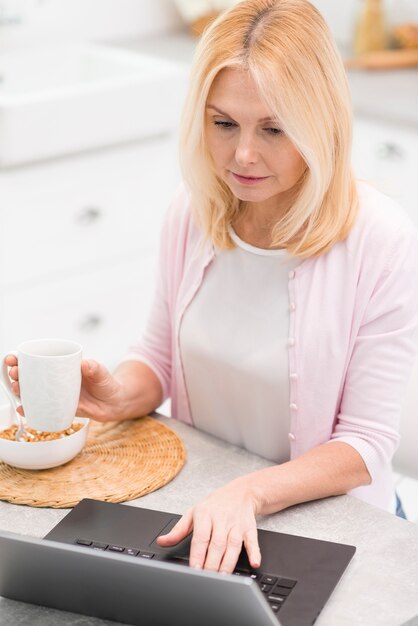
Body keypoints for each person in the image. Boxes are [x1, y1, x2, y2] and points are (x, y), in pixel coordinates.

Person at [5, 0, 418, 573]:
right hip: (209, 507)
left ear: (320, 123)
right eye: (224, 123)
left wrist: (250, 491)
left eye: (274, 128)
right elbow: (157, 357)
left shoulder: (380, 240)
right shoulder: (194, 212)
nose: (242, 155)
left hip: (333, 524)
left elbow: (368, 444)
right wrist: (116, 395)